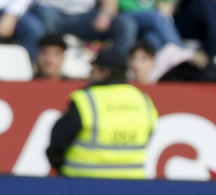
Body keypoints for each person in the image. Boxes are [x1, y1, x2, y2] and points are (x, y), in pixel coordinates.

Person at [46, 49, 158, 178]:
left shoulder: (86, 99)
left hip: (82, 183)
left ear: (105, 73)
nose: (90, 72)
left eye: (94, 68)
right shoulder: (142, 99)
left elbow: (59, 141)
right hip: (131, 183)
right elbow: (150, 134)